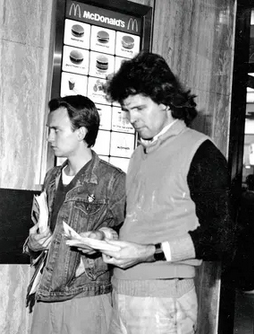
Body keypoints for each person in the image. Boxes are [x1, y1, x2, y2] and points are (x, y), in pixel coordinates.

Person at [100, 52, 236, 334]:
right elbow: (139, 220)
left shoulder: (202, 153)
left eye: (139, 108)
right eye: (126, 110)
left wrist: (149, 253)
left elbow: (221, 238)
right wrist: (107, 235)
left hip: (165, 298)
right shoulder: (139, 154)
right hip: (122, 291)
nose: (131, 119)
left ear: (165, 101)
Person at [24, 95, 126, 333]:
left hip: (85, 297)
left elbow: (133, 238)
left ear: (81, 133)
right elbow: (38, 234)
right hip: (45, 295)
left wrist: (101, 241)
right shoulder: (51, 177)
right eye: (49, 130)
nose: (49, 137)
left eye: (56, 130)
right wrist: (34, 243)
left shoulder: (113, 181)